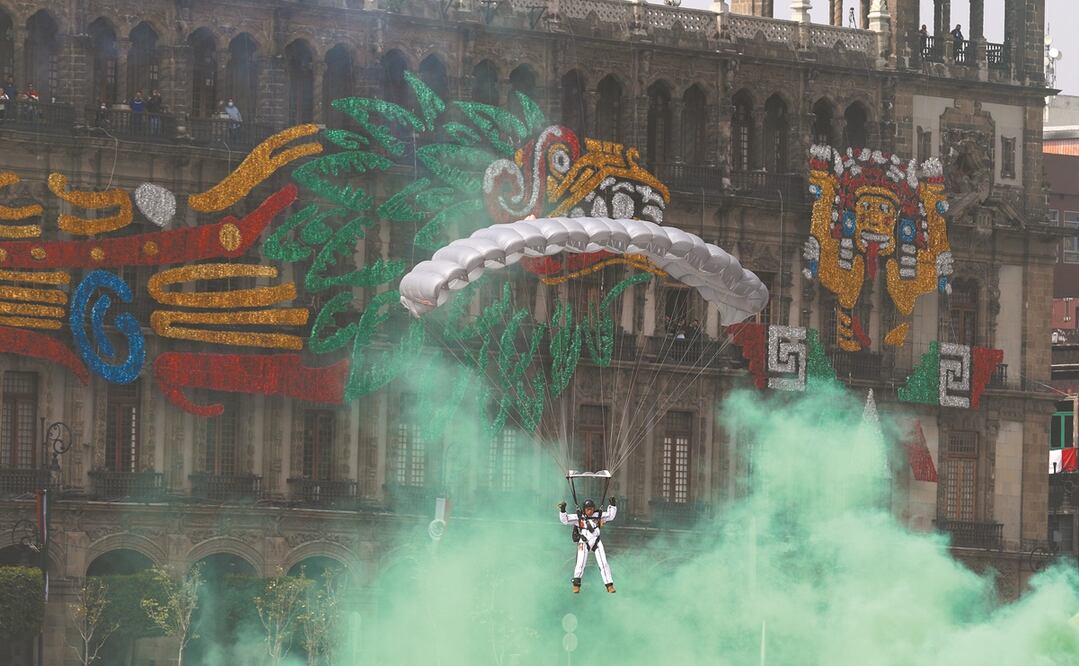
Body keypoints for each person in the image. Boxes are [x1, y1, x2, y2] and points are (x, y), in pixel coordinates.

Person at [558, 497, 617, 594]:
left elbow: (610, 516)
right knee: (580, 563)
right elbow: (565, 520)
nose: (590, 511)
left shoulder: (598, 515)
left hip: (596, 541)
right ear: (584, 509)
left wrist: (613, 506)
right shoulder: (579, 516)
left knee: (603, 563)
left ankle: (609, 585)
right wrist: (563, 510)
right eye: (588, 509)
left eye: (591, 509)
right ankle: (576, 585)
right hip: (584, 541)